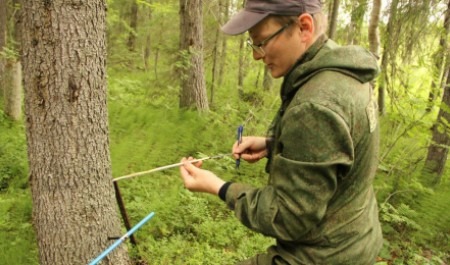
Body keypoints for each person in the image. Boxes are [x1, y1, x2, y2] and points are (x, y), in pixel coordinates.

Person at [179, 0, 383, 264]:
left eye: (261, 42)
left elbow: (288, 216)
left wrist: (220, 187)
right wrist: (275, 144)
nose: (256, 55)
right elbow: (339, 152)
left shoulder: (316, 105)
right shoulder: (345, 75)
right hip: (357, 239)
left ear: (303, 27)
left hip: (324, 255)